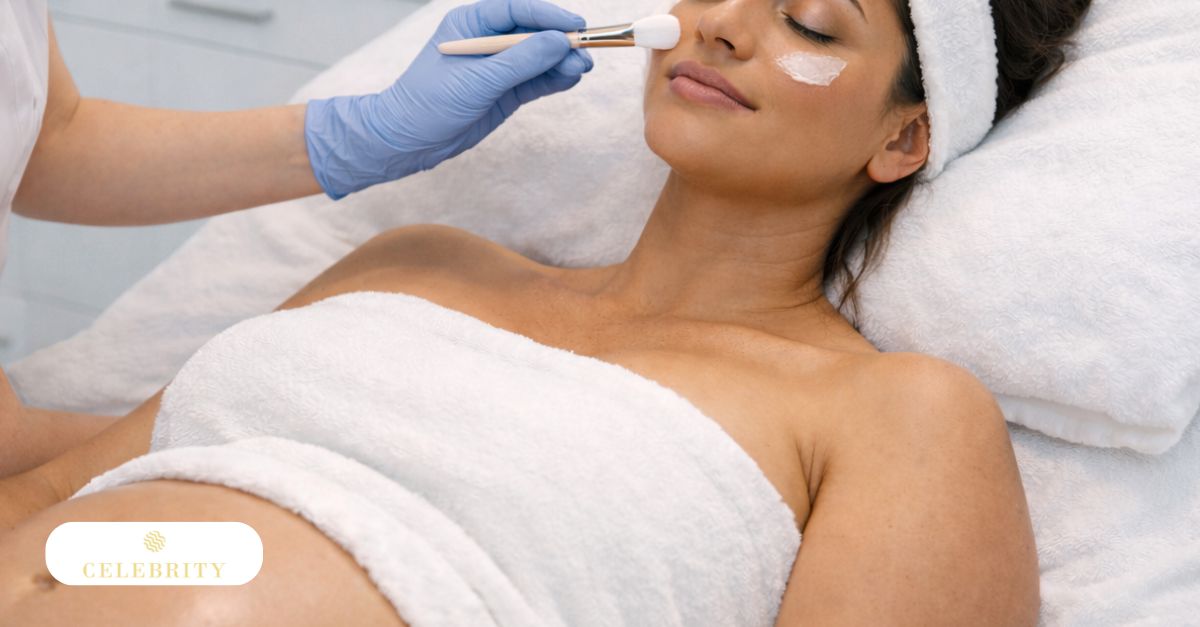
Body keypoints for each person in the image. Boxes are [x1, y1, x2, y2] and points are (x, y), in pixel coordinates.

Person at [0, 0, 1093, 624]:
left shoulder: (895, 414)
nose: (722, 25)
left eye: (809, 18)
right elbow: (53, 485)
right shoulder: (420, 262)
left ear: (905, 137)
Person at [0, 0, 594, 474]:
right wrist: (279, 457)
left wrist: (361, 135)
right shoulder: (412, 258)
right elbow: (9, 445)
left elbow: (46, 144)